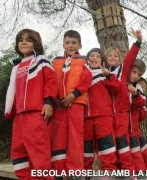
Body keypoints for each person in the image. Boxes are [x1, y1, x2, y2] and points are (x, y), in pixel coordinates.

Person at [4, 28, 57, 180]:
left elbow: (51, 81)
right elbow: (12, 92)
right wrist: (10, 111)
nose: (24, 42)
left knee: (38, 152)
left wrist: (48, 102)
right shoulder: (16, 67)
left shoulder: (41, 61)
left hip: (36, 113)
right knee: (19, 152)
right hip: (19, 116)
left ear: (36, 43)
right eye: (21, 40)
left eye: (28, 40)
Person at [51, 30, 92, 179]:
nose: (70, 45)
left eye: (74, 43)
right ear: (63, 44)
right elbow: (50, 80)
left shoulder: (83, 60)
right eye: (67, 42)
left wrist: (73, 95)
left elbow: (87, 79)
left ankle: (75, 172)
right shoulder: (55, 61)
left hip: (76, 102)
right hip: (59, 105)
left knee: (75, 136)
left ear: (79, 45)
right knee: (58, 136)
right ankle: (58, 170)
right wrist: (54, 98)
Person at [105, 28, 142, 179]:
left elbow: (131, 57)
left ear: (120, 59)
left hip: (121, 113)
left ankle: (129, 172)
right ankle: (115, 171)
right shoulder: (103, 71)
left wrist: (138, 41)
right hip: (107, 114)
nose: (113, 57)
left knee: (123, 142)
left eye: (116, 55)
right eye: (110, 55)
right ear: (105, 58)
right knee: (110, 143)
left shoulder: (123, 70)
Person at [83, 48, 119, 179]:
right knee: (86, 146)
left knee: (106, 144)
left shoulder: (105, 74)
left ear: (102, 61)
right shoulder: (82, 73)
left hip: (104, 115)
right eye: (91, 55)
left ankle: (109, 171)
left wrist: (108, 75)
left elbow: (116, 89)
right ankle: (86, 172)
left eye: (97, 56)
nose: (94, 58)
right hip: (85, 116)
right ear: (87, 59)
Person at [127, 59, 147, 178]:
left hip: (133, 127)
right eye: (134, 72)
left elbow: (141, 103)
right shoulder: (119, 81)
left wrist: (135, 94)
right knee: (123, 152)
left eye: (139, 75)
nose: (135, 76)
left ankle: (141, 174)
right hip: (120, 126)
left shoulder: (138, 89)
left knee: (136, 152)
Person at [137, 77, 147, 173]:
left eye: (144, 87)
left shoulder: (143, 102)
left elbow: (143, 116)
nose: (142, 89)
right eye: (140, 86)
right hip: (132, 130)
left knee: (144, 150)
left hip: (140, 129)